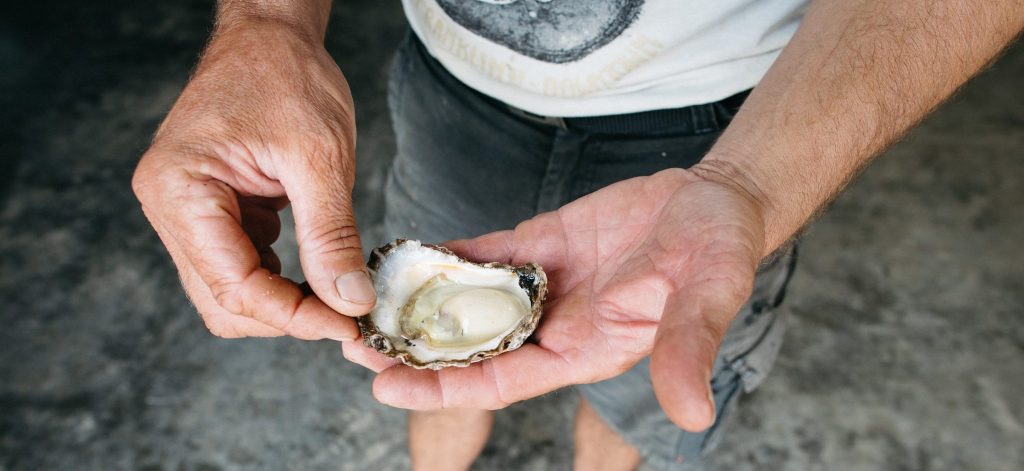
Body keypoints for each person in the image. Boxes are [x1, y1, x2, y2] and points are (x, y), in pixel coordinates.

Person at [131, 0, 1023, 469]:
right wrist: (269, 21)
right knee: (426, 378)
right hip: (451, 89)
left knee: (649, 376)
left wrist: (749, 183)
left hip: (738, 122)